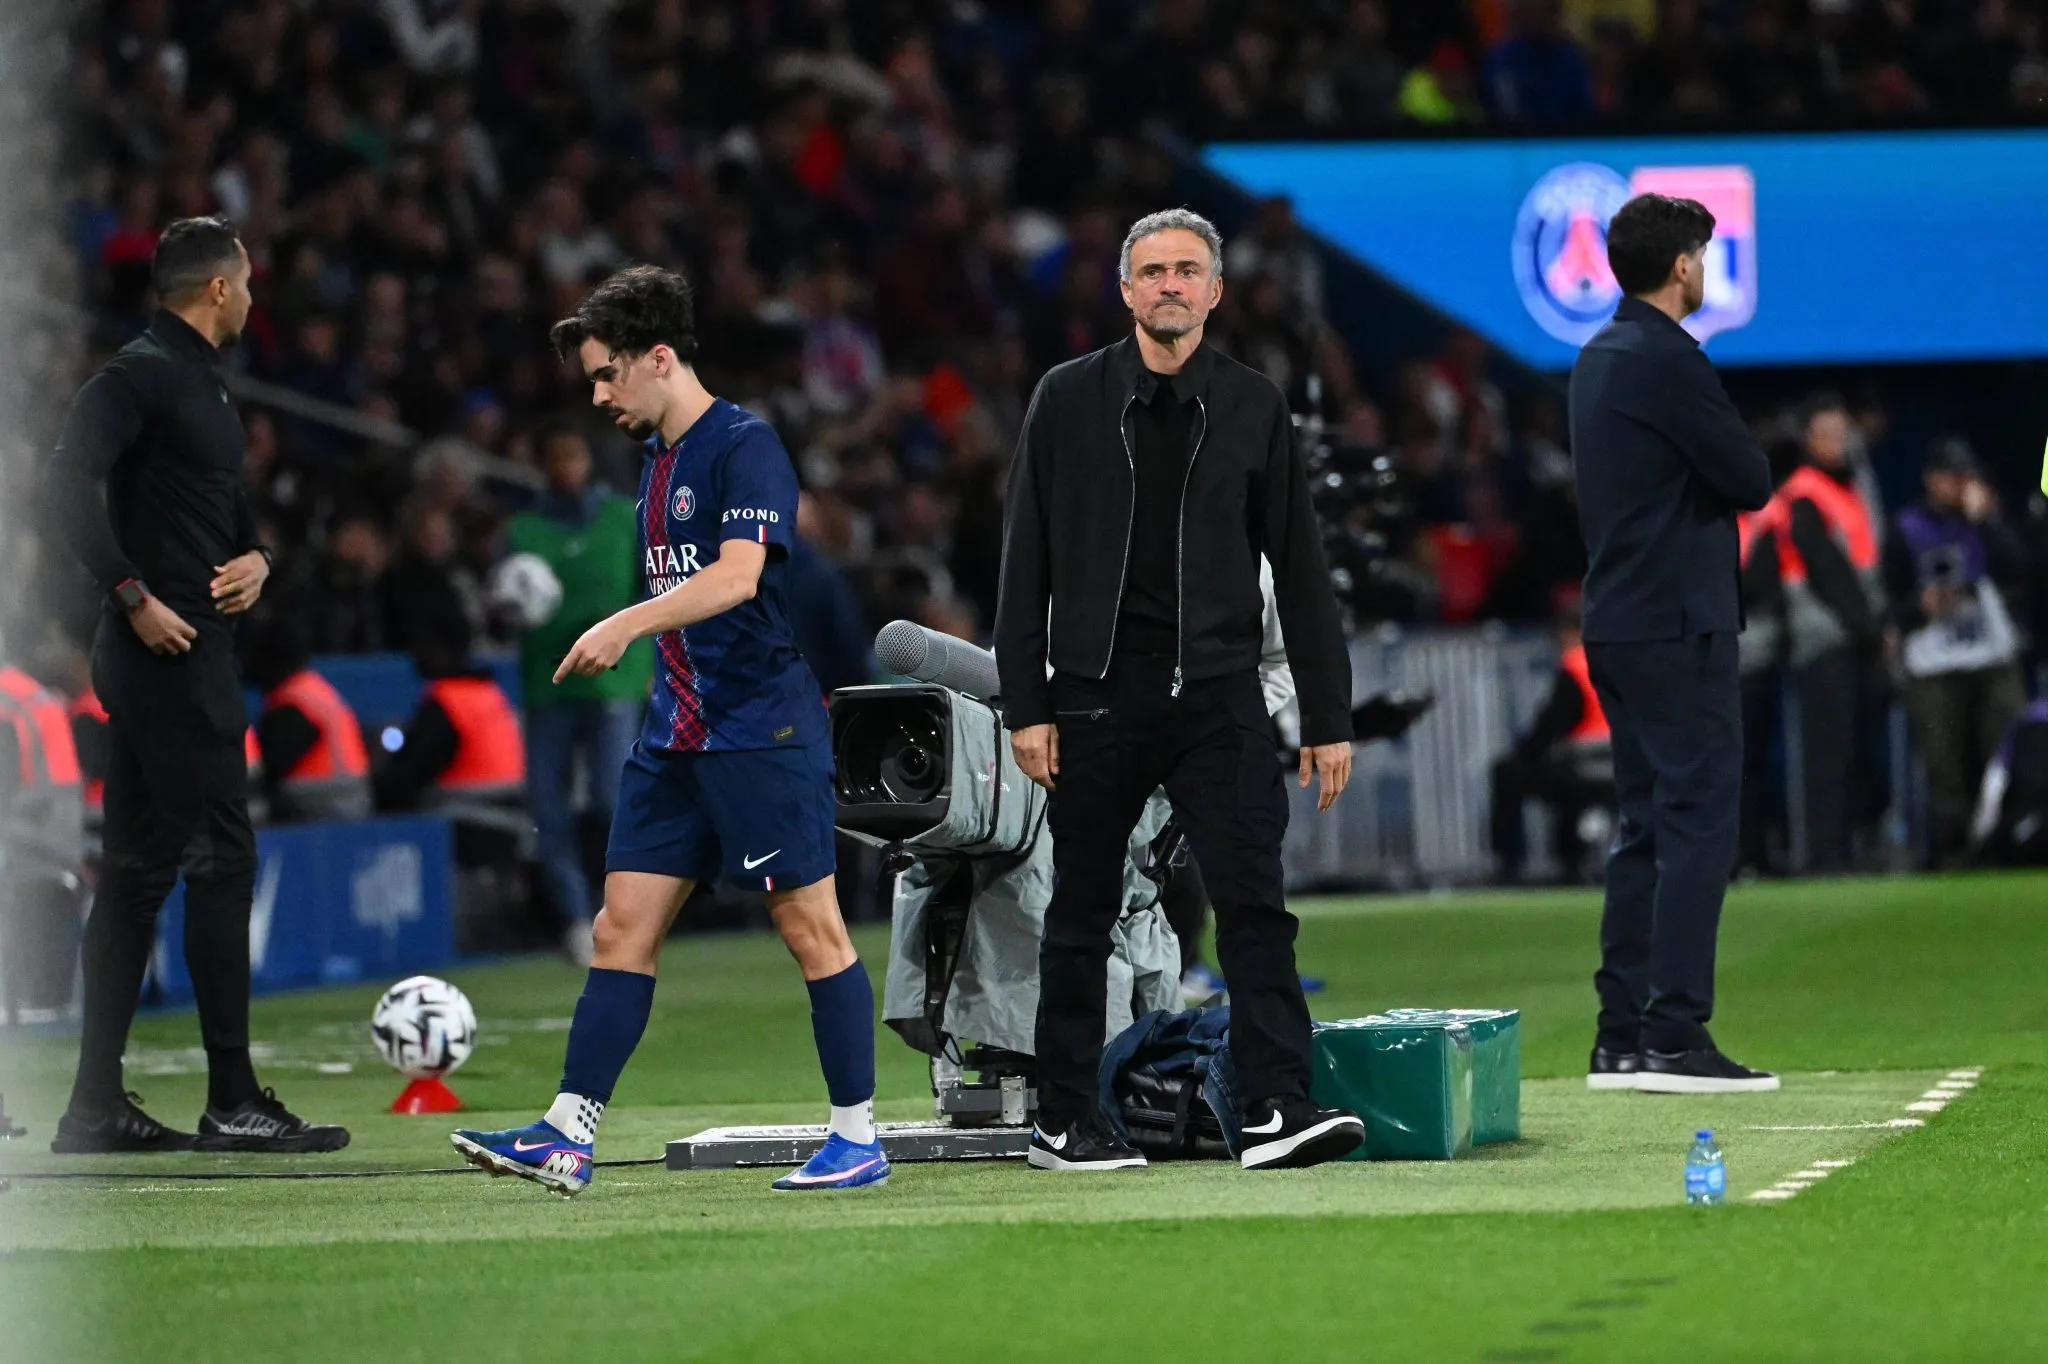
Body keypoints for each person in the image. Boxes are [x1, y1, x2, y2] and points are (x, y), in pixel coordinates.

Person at [450, 265, 884, 1195]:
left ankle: (857, 1138)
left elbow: (736, 576)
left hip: (759, 730)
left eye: (606, 374)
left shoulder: (745, 446)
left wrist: (623, 625)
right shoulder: (652, 462)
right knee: (619, 930)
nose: (598, 397)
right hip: (674, 739)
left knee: (812, 930)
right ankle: (567, 1134)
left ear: (658, 358)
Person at [994, 208, 1364, 1172]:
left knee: (1255, 905)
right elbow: (1023, 561)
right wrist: (1027, 705)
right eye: (1153, 270)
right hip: (1094, 697)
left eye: (1187, 270)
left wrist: (1328, 716)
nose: (1169, 284)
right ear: (1125, 289)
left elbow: (1301, 566)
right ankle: (1064, 1119)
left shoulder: (1252, 403)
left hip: (1218, 697)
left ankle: (1277, 1107)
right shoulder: (1066, 397)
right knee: (1080, 914)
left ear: (1214, 291)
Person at [43, 216, 347, 1152]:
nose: (252, 297)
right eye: (245, 282)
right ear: (218, 288)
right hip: (167, 653)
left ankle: (93, 1107)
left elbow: (225, 510)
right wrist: (131, 594)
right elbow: (63, 484)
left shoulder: (201, 384)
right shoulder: (139, 374)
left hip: (180, 650)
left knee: (138, 870)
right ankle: (232, 1100)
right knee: (221, 857)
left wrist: (258, 557)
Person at [1568, 193, 1778, 1095]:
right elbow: (1749, 478)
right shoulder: (1669, 358)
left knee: (1644, 825)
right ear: (1683, 265)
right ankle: (1675, 1033)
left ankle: (1621, 1036)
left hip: (1619, 618)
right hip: (1678, 621)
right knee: (1698, 821)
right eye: (1703, 256)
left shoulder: (1599, 355)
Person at [505, 426, 651, 964]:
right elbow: (504, 605)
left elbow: (656, 590)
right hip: (549, 682)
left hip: (614, 678)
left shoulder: (624, 520)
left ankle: (627, 913)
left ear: (590, 461)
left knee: (612, 801)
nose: (567, 466)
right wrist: (507, 608)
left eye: (575, 455)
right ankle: (573, 918)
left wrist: (649, 654)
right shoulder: (522, 533)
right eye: (557, 456)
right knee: (547, 807)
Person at [1882, 439, 2030, 868]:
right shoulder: (1906, 528)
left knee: (2004, 758)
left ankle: (2008, 848)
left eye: (1965, 476)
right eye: (1952, 476)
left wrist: (1988, 523)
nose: (1960, 484)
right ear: (1931, 479)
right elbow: (1889, 605)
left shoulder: (1984, 522)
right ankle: (1955, 855)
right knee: (1945, 767)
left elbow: (2021, 572)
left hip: (1990, 658)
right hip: (1933, 663)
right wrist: (1920, 608)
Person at [1756, 396, 1885, 872]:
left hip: (1852, 637)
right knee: (1828, 756)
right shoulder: (1804, 494)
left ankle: (1852, 848)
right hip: (1822, 638)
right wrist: (1870, 630)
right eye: (1827, 433)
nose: (1838, 442)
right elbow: (1828, 571)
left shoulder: (1845, 488)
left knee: (1856, 753)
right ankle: (1826, 857)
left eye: (1842, 433)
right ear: (1809, 440)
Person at [1488, 600, 1612, 886]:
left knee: (1507, 774)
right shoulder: (1614, 660)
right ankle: (1573, 857)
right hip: (1621, 764)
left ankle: (1510, 862)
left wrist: (1524, 753)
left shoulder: (1575, 666)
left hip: (1585, 764)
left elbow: (1550, 725)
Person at [245, 618, 372, 823]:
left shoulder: (293, 705)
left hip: (321, 804)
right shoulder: (314, 689)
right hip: (351, 799)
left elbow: (269, 769)